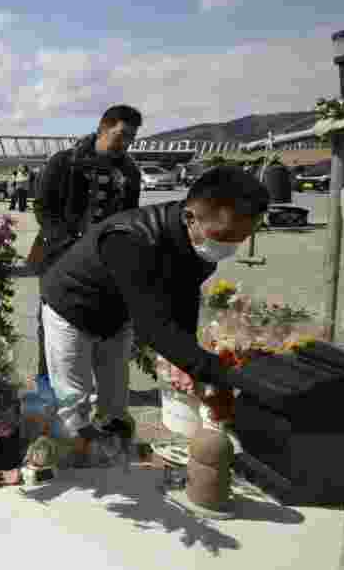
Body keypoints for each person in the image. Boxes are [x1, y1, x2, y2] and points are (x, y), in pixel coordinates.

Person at [40, 166, 269, 465]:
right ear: (190, 217)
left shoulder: (198, 246)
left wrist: (193, 365)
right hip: (71, 308)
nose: (229, 247)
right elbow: (152, 327)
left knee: (114, 402)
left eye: (240, 238)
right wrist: (215, 373)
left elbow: (183, 302)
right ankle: (74, 467)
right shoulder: (130, 239)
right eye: (224, 236)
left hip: (117, 312)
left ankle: (112, 456)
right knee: (73, 400)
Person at [31, 105, 144, 379]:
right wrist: (69, 246)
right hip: (59, 256)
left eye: (131, 137)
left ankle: (87, 383)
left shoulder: (130, 173)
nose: (126, 143)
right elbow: (44, 209)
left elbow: (129, 216)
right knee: (53, 319)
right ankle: (46, 383)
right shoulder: (64, 162)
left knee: (95, 319)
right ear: (102, 129)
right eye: (121, 135)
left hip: (104, 262)